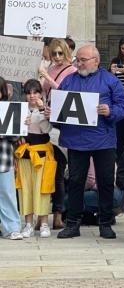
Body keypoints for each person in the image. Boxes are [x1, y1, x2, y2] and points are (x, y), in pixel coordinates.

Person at [50, 45, 124, 239]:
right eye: (77, 59)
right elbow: (58, 108)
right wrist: (51, 113)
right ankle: (72, 224)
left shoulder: (110, 80)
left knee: (105, 183)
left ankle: (105, 223)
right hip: (76, 141)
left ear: (96, 60)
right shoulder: (69, 80)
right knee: (76, 182)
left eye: (83, 60)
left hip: (103, 140)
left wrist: (110, 112)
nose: (79, 63)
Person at [38, 38, 75, 230]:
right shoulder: (49, 68)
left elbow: (65, 94)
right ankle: (40, 214)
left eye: (61, 53)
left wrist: (47, 77)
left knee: (59, 172)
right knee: (43, 171)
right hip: (46, 117)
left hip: (61, 123)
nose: (57, 57)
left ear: (67, 52)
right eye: (54, 54)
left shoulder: (71, 71)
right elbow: (42, 92)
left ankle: (58, 215)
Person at [15, 80, 56, 239]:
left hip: (42, 152)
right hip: (25, 152)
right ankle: (28, 223)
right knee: (25, 188)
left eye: (35, 92)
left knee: (42, 187)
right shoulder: (20, 110)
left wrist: (40, 111)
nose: (32, 96)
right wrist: (21, 127)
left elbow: (48, 130)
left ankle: (44, 222)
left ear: (41, 93)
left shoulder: (45, 110)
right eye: (29, 93)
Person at [0, 77, 25, 240]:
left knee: (7, 193)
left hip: (4, 158)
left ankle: (12, 227)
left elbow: (15, 136)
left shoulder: (9, 109)